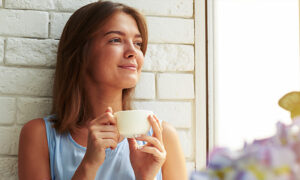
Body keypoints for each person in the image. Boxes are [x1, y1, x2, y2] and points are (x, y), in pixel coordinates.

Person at [18, 1, 187, 180]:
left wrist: (145, 177)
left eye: (138, 43)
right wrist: (89, 165)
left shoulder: (163, 137)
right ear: (81, 52)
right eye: (115, 40)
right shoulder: (39, 135)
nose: (133, 52)